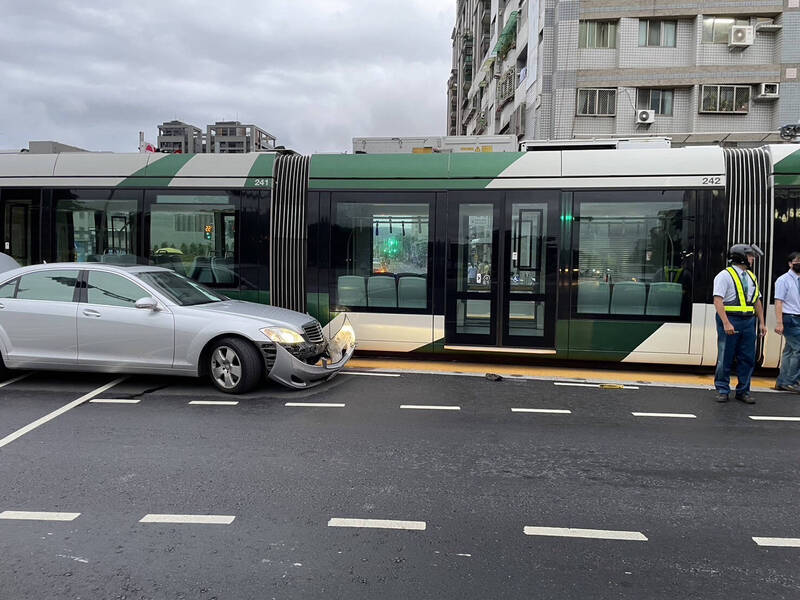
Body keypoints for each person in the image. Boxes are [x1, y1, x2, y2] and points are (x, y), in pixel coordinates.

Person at [712, 244, 767, 404]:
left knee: (748, 358)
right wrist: (726, 323)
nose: (753, 259)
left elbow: (757, 301)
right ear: (741, 256)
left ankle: (743, 391)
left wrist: (762, 323)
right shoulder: (724, 275)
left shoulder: (751, 277)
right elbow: (718, 300)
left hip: (749, 321)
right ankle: (722, 390)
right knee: (725, 356)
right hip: (731, 320)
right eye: (750, 256)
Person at [774, 251, 800, 393]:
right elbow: (778, 301)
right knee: (799, 348)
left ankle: (782, 381)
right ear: (790, 263)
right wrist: (779, 322)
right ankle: (791, 381)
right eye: (797, 261)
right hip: (789, 318)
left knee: (790, 351)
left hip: (798, 317)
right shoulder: (783, 280)